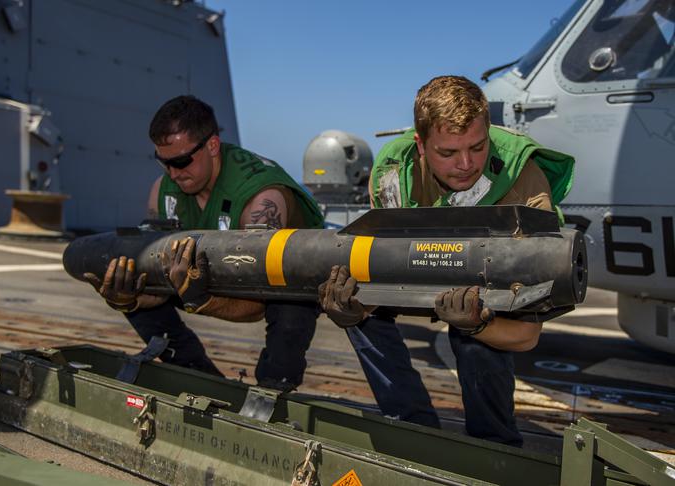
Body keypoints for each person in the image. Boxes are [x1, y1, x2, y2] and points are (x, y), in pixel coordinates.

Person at [318, 76, 575, 446]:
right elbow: (385, 274)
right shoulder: (395, 175)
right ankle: (411, 427)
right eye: (448, 153)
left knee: (477, 335)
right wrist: (354, 310)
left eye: (478, 147)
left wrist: (477, 325)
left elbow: (525, 335)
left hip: (484, 286)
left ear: (489, 133)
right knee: (358, 310)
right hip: (425, 260)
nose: (466, 164)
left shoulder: (522, 179)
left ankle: (495, 446)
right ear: (420, 145)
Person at [85, 95, 324, 391]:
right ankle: (195, 377)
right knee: (136, 287)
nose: (173, 173)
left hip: (289, 279)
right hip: (213, 274)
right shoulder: (164, 191)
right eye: (164, 163)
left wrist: (201, 299)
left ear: (212, 145)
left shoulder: (261, 200)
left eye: (182, 161)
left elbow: (258, 305)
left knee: (289, 314)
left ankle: (273, 394)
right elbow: (157, 286)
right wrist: (131, 299)